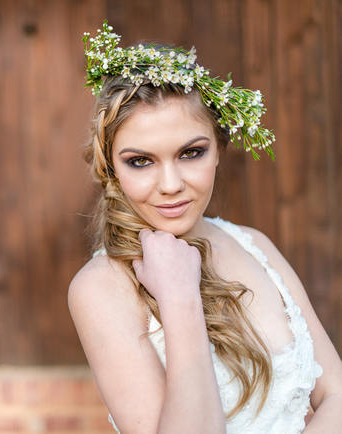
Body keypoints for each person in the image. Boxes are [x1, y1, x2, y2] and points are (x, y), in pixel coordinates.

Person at [68, 22, 342, 434]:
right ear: (112, 168)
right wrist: (180, 301)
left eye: (191, 153)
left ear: (218, 148)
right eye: (140, 161)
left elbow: (337, 395)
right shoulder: (101, 288)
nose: (171, 184)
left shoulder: (254, 245)